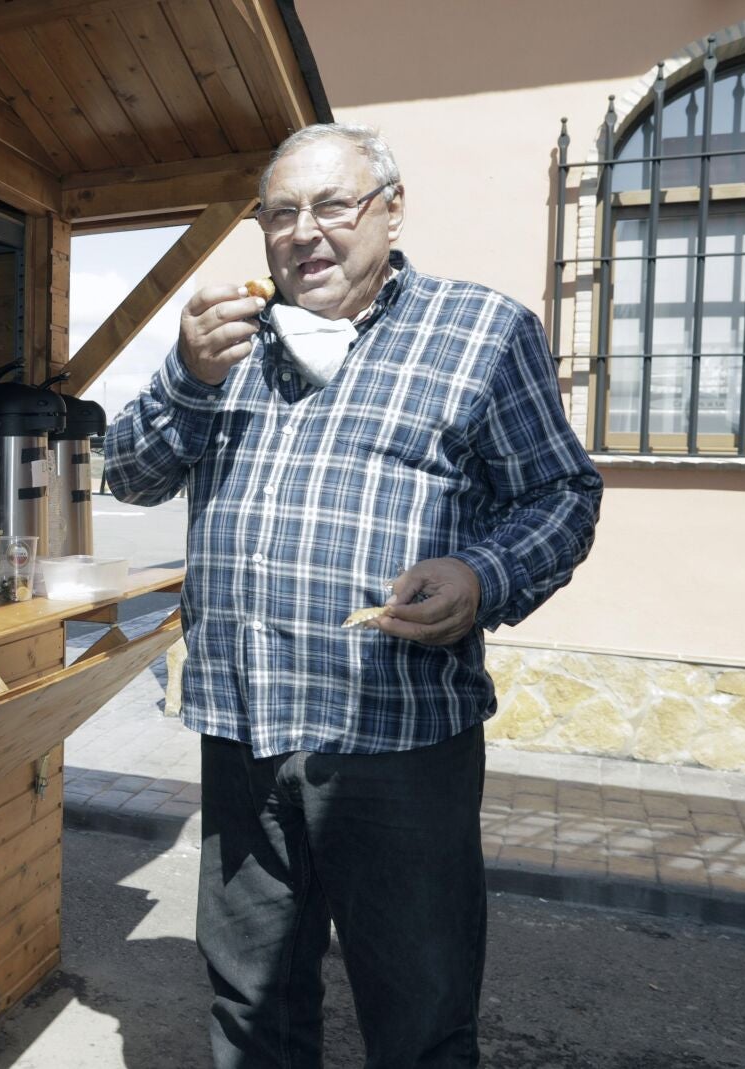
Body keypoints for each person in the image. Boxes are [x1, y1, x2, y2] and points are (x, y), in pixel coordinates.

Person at [105, 123, 603, 1068]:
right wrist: (188, 376)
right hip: (244, 731)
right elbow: (128, 474)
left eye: (332, 205)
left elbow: (561, 495)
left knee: (418, 1016)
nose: (305, 232)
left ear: (392, 209)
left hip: (398, 739)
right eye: (280, 213)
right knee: (251, 1007)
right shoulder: (230, 340)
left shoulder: (482, 332)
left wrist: (481, 575)